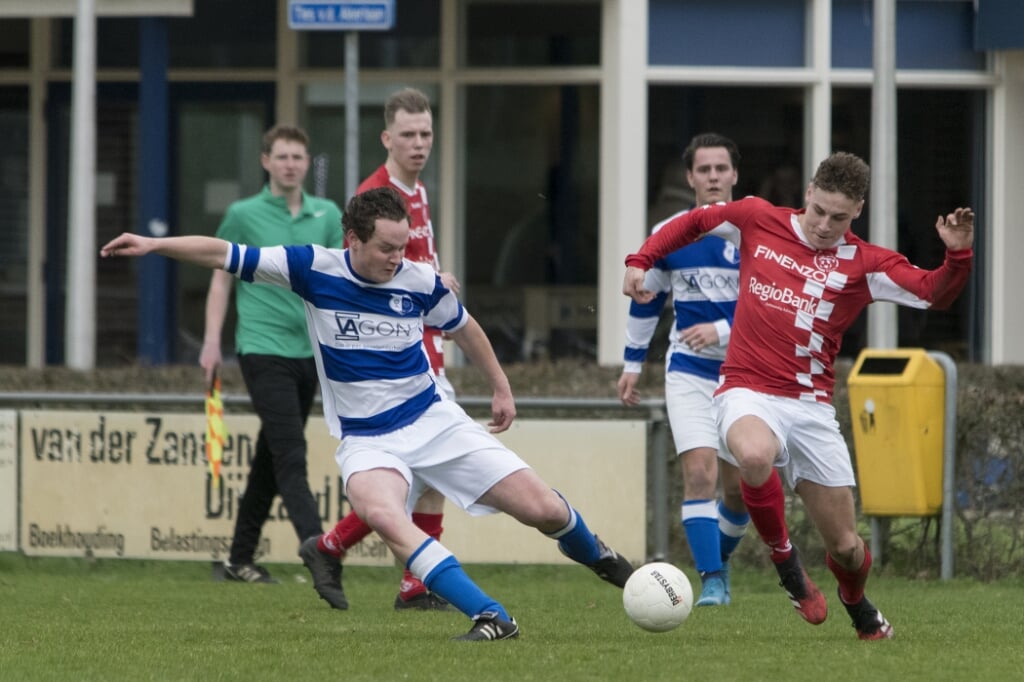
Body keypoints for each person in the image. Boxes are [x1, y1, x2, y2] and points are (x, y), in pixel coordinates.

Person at [101, 186, 634, 642]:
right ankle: (492, 615)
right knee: (379, 510)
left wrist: (501, 387)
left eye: (402, 247)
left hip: (434, 420)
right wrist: (153, 244)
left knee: (542, 509)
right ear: (352, 239)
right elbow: (224, 253)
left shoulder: (420, 280)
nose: (395, 259)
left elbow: (465, 327)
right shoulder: (311, 268)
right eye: (385, 248)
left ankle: (602, 557)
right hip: (367, 440)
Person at [623, 151, 974, 640]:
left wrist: (957, 255)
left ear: (858, 212)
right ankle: (788, 568)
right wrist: (639, 261)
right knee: (752, 454)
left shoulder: (867, 264)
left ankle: (857, 604)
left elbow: (935, 293)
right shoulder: (757, 218)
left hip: (810, 407)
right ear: (808, 193)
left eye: (840, 217)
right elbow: (694, 222)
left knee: (848, 548)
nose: (826, 225)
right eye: (820, 211)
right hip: (746, 388)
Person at [298, 87, 454, 611]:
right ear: (386, 137)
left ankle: (377, 567)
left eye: (426, 133)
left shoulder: (418, 190)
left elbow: (413, 276)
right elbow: (373, 282)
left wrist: (438, 296)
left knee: (428, 478)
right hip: (394, 364)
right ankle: (347, 553)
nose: (419, 143)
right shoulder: (378, 197)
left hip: (425, 350)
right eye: (407, 134)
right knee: (418, 473)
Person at [199, 124, 342, 583]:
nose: (290, 164)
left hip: (309, 352)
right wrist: (210, 342)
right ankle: (323, 555)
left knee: (270, 457)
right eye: (281, 156)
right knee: (291, 455)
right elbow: (221, 275)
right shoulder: (243, 214)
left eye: (298, 157)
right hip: (261, 348)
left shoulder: (327, 214)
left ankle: (239, 561)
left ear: (307, 163)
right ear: (265, 162)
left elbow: (341, 278)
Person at [617, 133, 749, 608]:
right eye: (704, 170)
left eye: (721, 168)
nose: (713, 177)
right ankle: (712, 580)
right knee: (699, 475)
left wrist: (720, 328)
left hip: (745, 373)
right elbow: (644, 299)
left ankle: (721, 558)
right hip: (689, 371)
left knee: (741, 493)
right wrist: (633, 363)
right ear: (691, 177)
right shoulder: (670, 232)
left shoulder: (756, 232)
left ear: (734, 175)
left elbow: (773, 308)